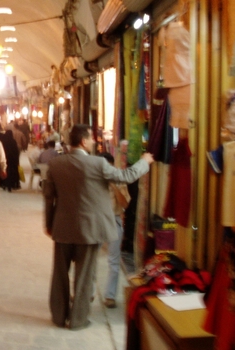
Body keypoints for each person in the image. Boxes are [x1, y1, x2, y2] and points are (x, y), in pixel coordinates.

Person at [43, 124, 153, 330]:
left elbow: (48, 197)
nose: (93, 142)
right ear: (83, 141)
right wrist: (144, 162)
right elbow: (126, 177)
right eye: (91, 139)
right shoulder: (98, 164)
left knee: (59, 274)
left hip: (62, 227)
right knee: (85, 275)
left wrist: (49, 224)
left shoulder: (56, 164)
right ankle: (78, 319)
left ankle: (58, 316)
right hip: (90, 229)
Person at [98, 152, 131, 309]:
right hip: (97, 221)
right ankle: (88, 292)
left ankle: (110, 296)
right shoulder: (94, 179)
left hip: (114, 220)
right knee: (89, 258)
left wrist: (114, 186)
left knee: (113, 260)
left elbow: (125, 204)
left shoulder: (119, 179)